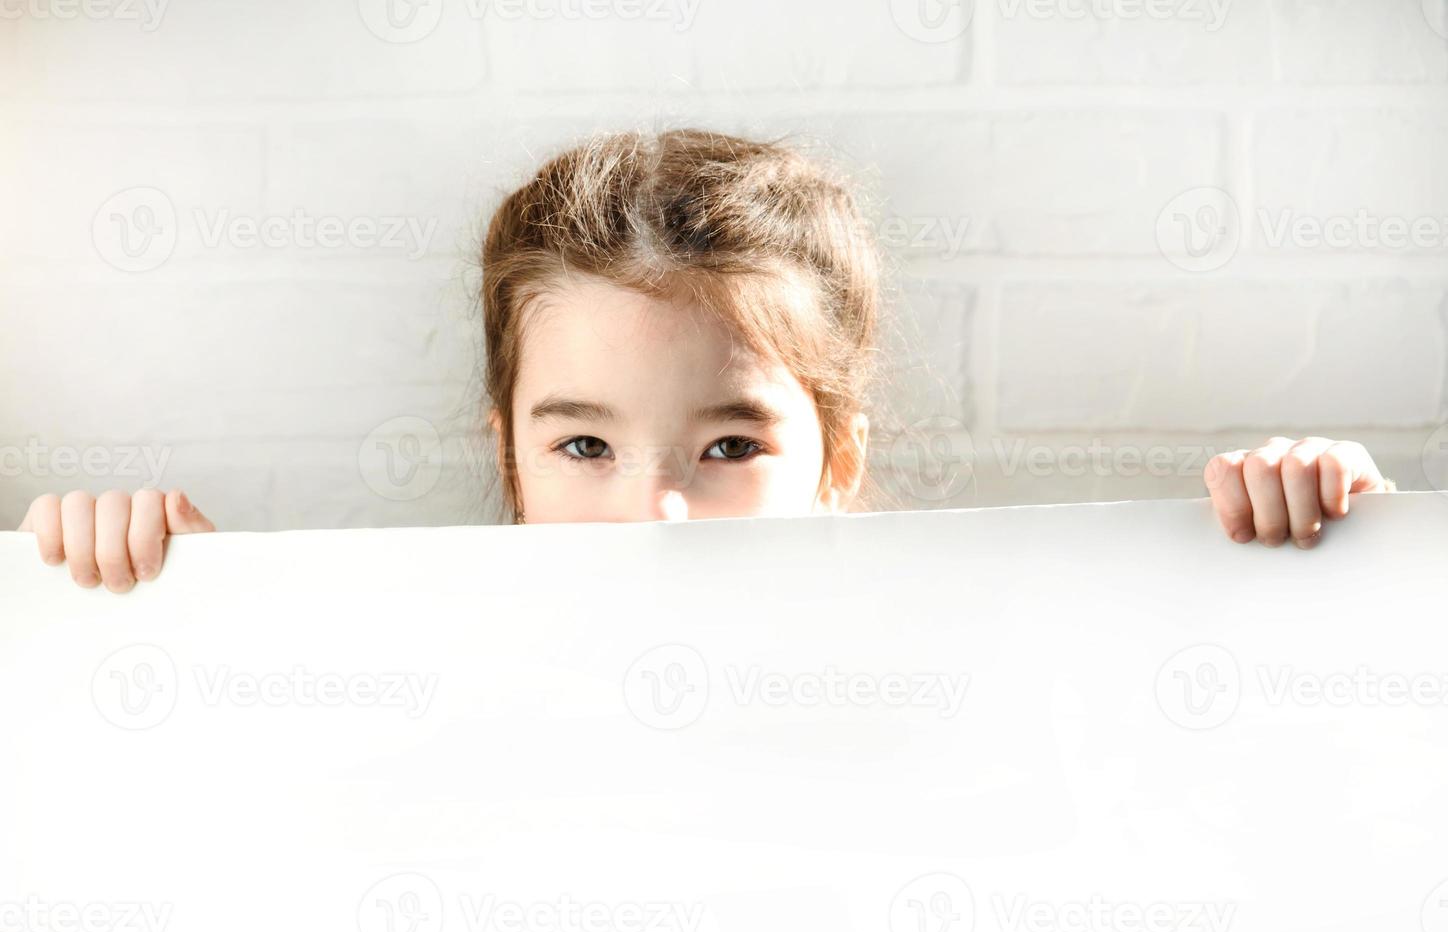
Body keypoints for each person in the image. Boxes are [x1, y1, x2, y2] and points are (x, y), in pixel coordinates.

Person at [14, 129, 1395, 593]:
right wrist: (139, 590)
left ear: (837, 457)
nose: (654, 514)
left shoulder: (962, 651)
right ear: (508, 449)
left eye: (730, 447)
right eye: (582, 445)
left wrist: (1340, 550)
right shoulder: (416, 671)